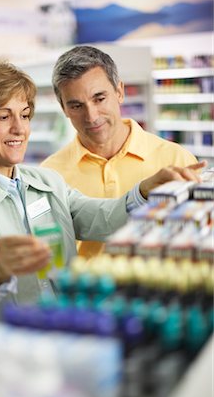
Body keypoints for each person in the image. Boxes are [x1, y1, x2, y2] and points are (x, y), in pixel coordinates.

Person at [0, 58, 205, 323]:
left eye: (25, 115)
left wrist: (145, 191)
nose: (20, 129)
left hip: (69, 331)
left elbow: (102, 217)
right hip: (11, 352)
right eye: (2, 117)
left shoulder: (48, 181)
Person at [41, 45, 199, 258]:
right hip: (84, 290)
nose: (92, 116)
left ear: (119, 92)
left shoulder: (176, 159)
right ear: (64, 109)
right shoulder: (50, 175)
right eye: (77, 106)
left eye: (99, 98)